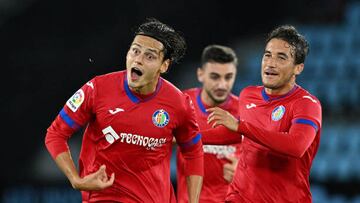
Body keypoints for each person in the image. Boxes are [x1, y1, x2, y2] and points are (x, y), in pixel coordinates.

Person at [45, 18, 204, 203]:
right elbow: (56, 134)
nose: (138, 59)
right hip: (103, 198)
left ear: (164, 65)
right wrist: (75, 179)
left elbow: (193, 152)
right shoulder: (97, 88)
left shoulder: (179, 103)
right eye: (135, 51)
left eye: (150, 56)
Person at [202, 25, 322, 202]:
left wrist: (240, 126)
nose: (270, 63)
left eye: (281, 57)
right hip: (240, 196)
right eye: (267, 55)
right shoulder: (248, 94)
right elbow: (240, 134)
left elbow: (296, 146)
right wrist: (188, 136)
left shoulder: (306, 103)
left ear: (298, 68)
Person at [175, 45, 241, 203]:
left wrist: (245, 170)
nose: (222, 85)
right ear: (200, 74)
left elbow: (258, 158)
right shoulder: (182, 104)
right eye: (215, 77)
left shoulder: (244, 112)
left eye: (228, 77)